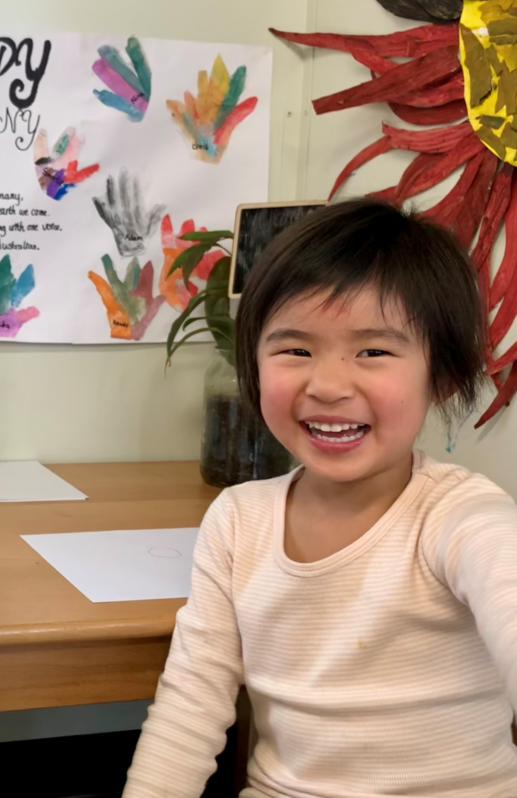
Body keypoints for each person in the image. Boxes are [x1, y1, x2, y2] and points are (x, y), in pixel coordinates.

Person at [124, 199, 517, 797]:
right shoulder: (237, 520)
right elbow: (190, 706)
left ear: (440, 376)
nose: (328, 385)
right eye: (295, 350)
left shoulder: (462, 519)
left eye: (374, 351)